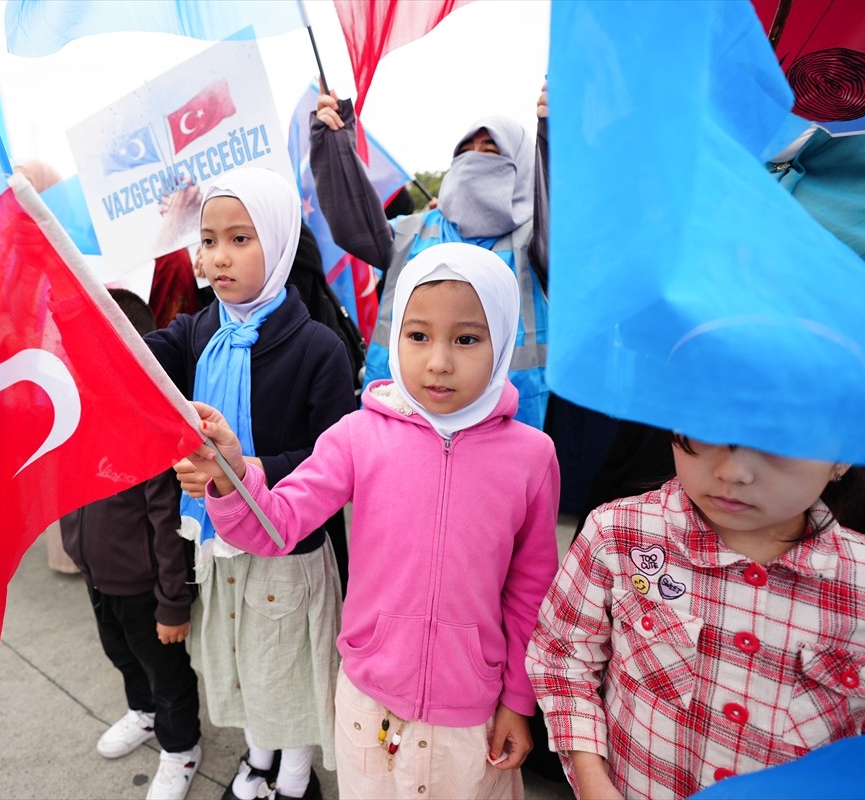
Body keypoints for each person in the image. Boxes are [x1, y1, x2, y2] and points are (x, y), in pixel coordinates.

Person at [184, 243, 561, 799]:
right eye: (418, 335)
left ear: (502, 341)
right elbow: (275, 526)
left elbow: (532, 590)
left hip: (472, 713)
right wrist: (232, 474)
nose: (438, 361)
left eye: (466, 338)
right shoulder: (358, 436)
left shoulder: (532, 456)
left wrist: (517, 701)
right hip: (369, 703)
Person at [0, 290, 205, 800]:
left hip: (145, 588)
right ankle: (145, 714)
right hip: (96, 574)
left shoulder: (148, 427)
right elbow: (9, 423)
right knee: (122, 655)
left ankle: (182, 747)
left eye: (86, 348)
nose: (71, 357)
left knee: (164, 670)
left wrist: (173, 604)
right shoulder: (74, 409)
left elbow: (168, 523)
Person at [144, 167, 355, 800]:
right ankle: (258, 758)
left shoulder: (319, 347)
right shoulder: (200, 329)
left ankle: (293, 774)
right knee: (244, 658)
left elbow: (334, 458)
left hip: (288, 548)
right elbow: (136, 357)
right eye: (208, 240)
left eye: (240, 238)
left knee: (287, 663)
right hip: (219, 542)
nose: (218, 256)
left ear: (281, 239)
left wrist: (248, 472)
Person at [526, 435, 865, 799]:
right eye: (707, 434)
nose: (731, 472)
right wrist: (592, 778)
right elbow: (563, 655)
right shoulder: (619, 533)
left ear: (842, 456)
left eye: (779, 443)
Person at [310, 91, 549, 430]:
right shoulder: (410, 231)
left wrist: (556, 137)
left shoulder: (538, 242)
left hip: (503, 424)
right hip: (399, 415)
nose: (476, 159)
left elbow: (571, 209)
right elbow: (353, 218)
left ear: (523, 166)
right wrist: (333, 145)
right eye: (466, 151)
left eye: (491, 151)